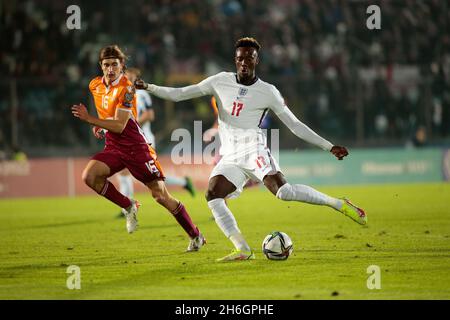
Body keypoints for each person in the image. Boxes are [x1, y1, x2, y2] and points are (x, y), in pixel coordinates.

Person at [135, 37, 366, 262]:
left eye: (249, 58)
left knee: (283, 192)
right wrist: (149, 87)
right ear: (235, 60)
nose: (244, 62)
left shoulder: (268, 91)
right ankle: (242, 249)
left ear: (257, 61)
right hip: (231, 156)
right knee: (213, 195)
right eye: (240, 58)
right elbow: (180, 94)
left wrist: (329, 146)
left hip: (254, 151)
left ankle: (338, 203)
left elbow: (295, 125)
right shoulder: (220, 81)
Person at [71, 45, 205, 252]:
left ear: (122, 65)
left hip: (136, 149)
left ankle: (195, 235)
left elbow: (120, 125)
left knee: (161, 196)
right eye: (106, 65)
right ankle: (128, 205)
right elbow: (108, 115)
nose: (110, 69)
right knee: (89, 177)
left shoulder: (127, 88)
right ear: (101, 66)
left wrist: (90, 119)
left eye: (115, 64)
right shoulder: (95, 85)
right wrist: (98, 124)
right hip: (114, 147)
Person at [115, 68, 196, 214]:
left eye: (131, 77)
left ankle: (127, 206)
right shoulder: (122, 95)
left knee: (151, 177)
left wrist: (131, 124)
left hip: (143, 139)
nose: (128, 79)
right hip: (129, 140)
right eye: (126, 77)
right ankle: (127, 206)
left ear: (137, 79)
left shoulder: (142, 94)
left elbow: (150, 114)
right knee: (125, 171)